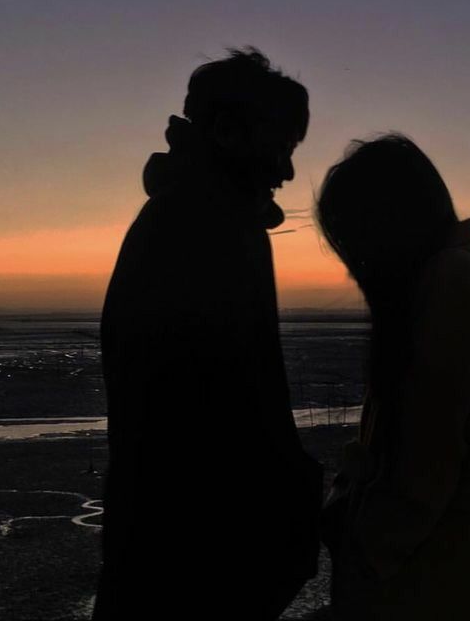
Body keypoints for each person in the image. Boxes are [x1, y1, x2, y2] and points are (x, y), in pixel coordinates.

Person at [93, 48, 323, 620]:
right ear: (226, 131)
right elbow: (221, 413)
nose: (288, 171)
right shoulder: (205, 229)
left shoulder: (206, 219)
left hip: (175, 548)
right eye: (282, 147)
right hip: (193, 559)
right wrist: (289, 509)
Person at [316, 134, 470, 620]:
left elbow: (427, 452)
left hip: (456, 578)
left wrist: (367, 550)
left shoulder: (450, 281)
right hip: (459, 570)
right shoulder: (451, 279)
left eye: (353, 234)